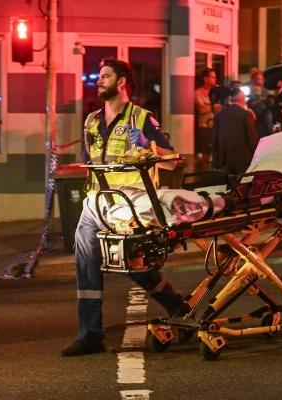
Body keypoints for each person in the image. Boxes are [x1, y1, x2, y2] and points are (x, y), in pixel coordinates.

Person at [62, 58, 185, 357]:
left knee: (134, 265)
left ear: (121, 83)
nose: (99, 81)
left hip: (129, 204)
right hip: (95, 204)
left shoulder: (141, 118)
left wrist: (149, 145)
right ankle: (90, 335)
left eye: (105, 76)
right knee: (86, 268)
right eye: (99, 76)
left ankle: (178, 307)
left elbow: (173, 160)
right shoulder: (91, 121)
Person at [212, 88, 259, 174]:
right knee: (242, 186)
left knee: (228, 186)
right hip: (244, 159)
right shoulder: (246, 114)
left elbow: (215, 140)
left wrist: (215, 162)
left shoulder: (219, 115)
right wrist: (257, 157)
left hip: (225, 160)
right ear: (241, 99)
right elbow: (252, 138)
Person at [194, 68, 219, 171]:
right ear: (205, 78)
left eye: (215, 77)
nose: (215, 79)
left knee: (218, 154)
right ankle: (204, 177)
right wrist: (214, 107)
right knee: (205, 155)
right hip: (205, 127)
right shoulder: (198, 93)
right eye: (212, 77)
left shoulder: (218, 92)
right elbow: (201, 109)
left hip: (217, 127)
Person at [246, 68, 273, 139]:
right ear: (253, 79)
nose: (259, 81)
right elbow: (247, 104)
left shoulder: (264, 91)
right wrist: (259, 101)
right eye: (257, 79)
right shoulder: (249, 91)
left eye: (261, 79)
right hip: (254, 117)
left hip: (265, 119)